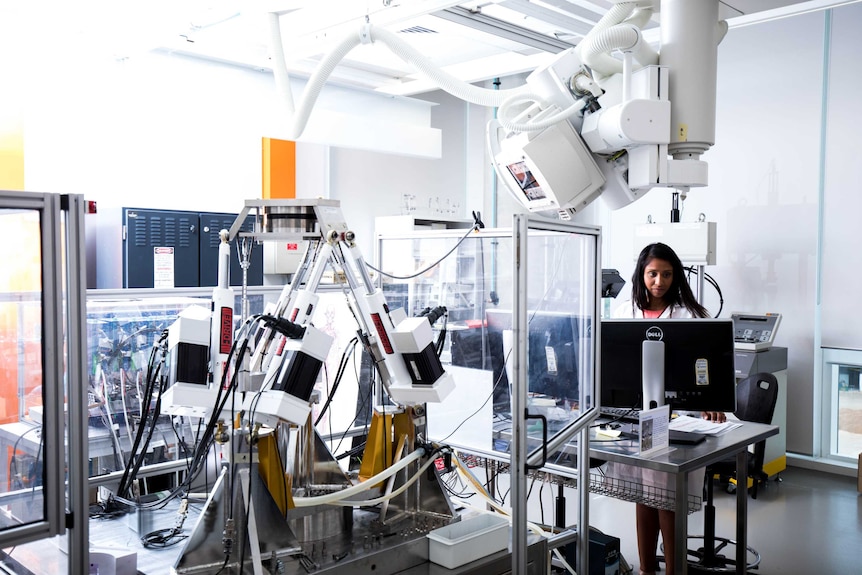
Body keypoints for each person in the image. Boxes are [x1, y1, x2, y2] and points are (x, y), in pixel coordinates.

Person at [611, 242, 726, 575]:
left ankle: (676, 571)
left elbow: (707, 366)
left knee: (666, 495)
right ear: (641, 274)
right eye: (652, 274)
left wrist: (710, 401)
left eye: (665, 274)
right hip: (635, 416)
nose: (658, 281)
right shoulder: (624, 312)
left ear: (675, 276)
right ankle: (648, 570)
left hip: (677, 419)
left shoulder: (689, 315)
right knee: (644, 494)